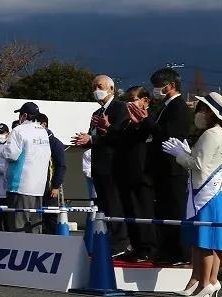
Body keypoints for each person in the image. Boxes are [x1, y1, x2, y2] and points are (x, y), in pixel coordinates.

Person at [161, 92, 222, 297]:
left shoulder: (211, 134)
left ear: (211, 112)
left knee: (206, 240)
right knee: (218, 241)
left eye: (202, 109)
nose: (199, 113)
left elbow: (199, 166)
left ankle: (206, 283)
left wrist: (180, 156)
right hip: (215, 192)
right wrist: (188, 152)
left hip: (207, 194)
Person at [70, 75, 129, 252]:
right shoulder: (96, 113)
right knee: (102, 205)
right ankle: (108, 240)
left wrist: (93, 139)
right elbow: (95, 136)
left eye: (100, 86)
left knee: (114, 204)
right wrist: (85, 141)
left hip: (113, 165)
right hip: (98, 166)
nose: (97, 90)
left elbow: (119, 136)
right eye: (94, 87)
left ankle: (120, 242)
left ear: (111, 89)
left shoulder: (120, 108)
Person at [149, 68, 192, 266]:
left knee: (175, 211)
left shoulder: (179, 107)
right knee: (164, 211)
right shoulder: (165, 107)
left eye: (160, 85)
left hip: (174, 168)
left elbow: (170, 134)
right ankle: (166, 249)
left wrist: (148, 122)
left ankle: (179, 253)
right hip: (163, 168)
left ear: (171, 85)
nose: (156, 90)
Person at [112, 86, 157, 262]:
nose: (130, 103)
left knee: (144, 211)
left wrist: (142, 122)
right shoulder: (126, 122)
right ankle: (136, 246)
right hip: (126, 174)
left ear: (145, 101)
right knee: (130, 211)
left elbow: (150, 139)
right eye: (128, 99)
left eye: (134, 99)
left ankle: (149, 247)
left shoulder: (150, 121)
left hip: (143, 174)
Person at [0, 102, 52, 234]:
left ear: (24, 115)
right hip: (39, 187)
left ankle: (19, 253)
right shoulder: (43, 132)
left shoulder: (19, 130)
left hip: (20, 186)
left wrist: (0, 149)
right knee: (35, 227)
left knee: (18, 227)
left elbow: (11, 154)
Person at [36, 113, 68, 234]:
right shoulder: (37, 141)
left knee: (50, 218)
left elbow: (61, 166)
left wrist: (55, 186)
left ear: (44, 125)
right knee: (37, 217)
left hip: (50, 189)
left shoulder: (55, 143)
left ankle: (53, 242)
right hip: (36, 188)